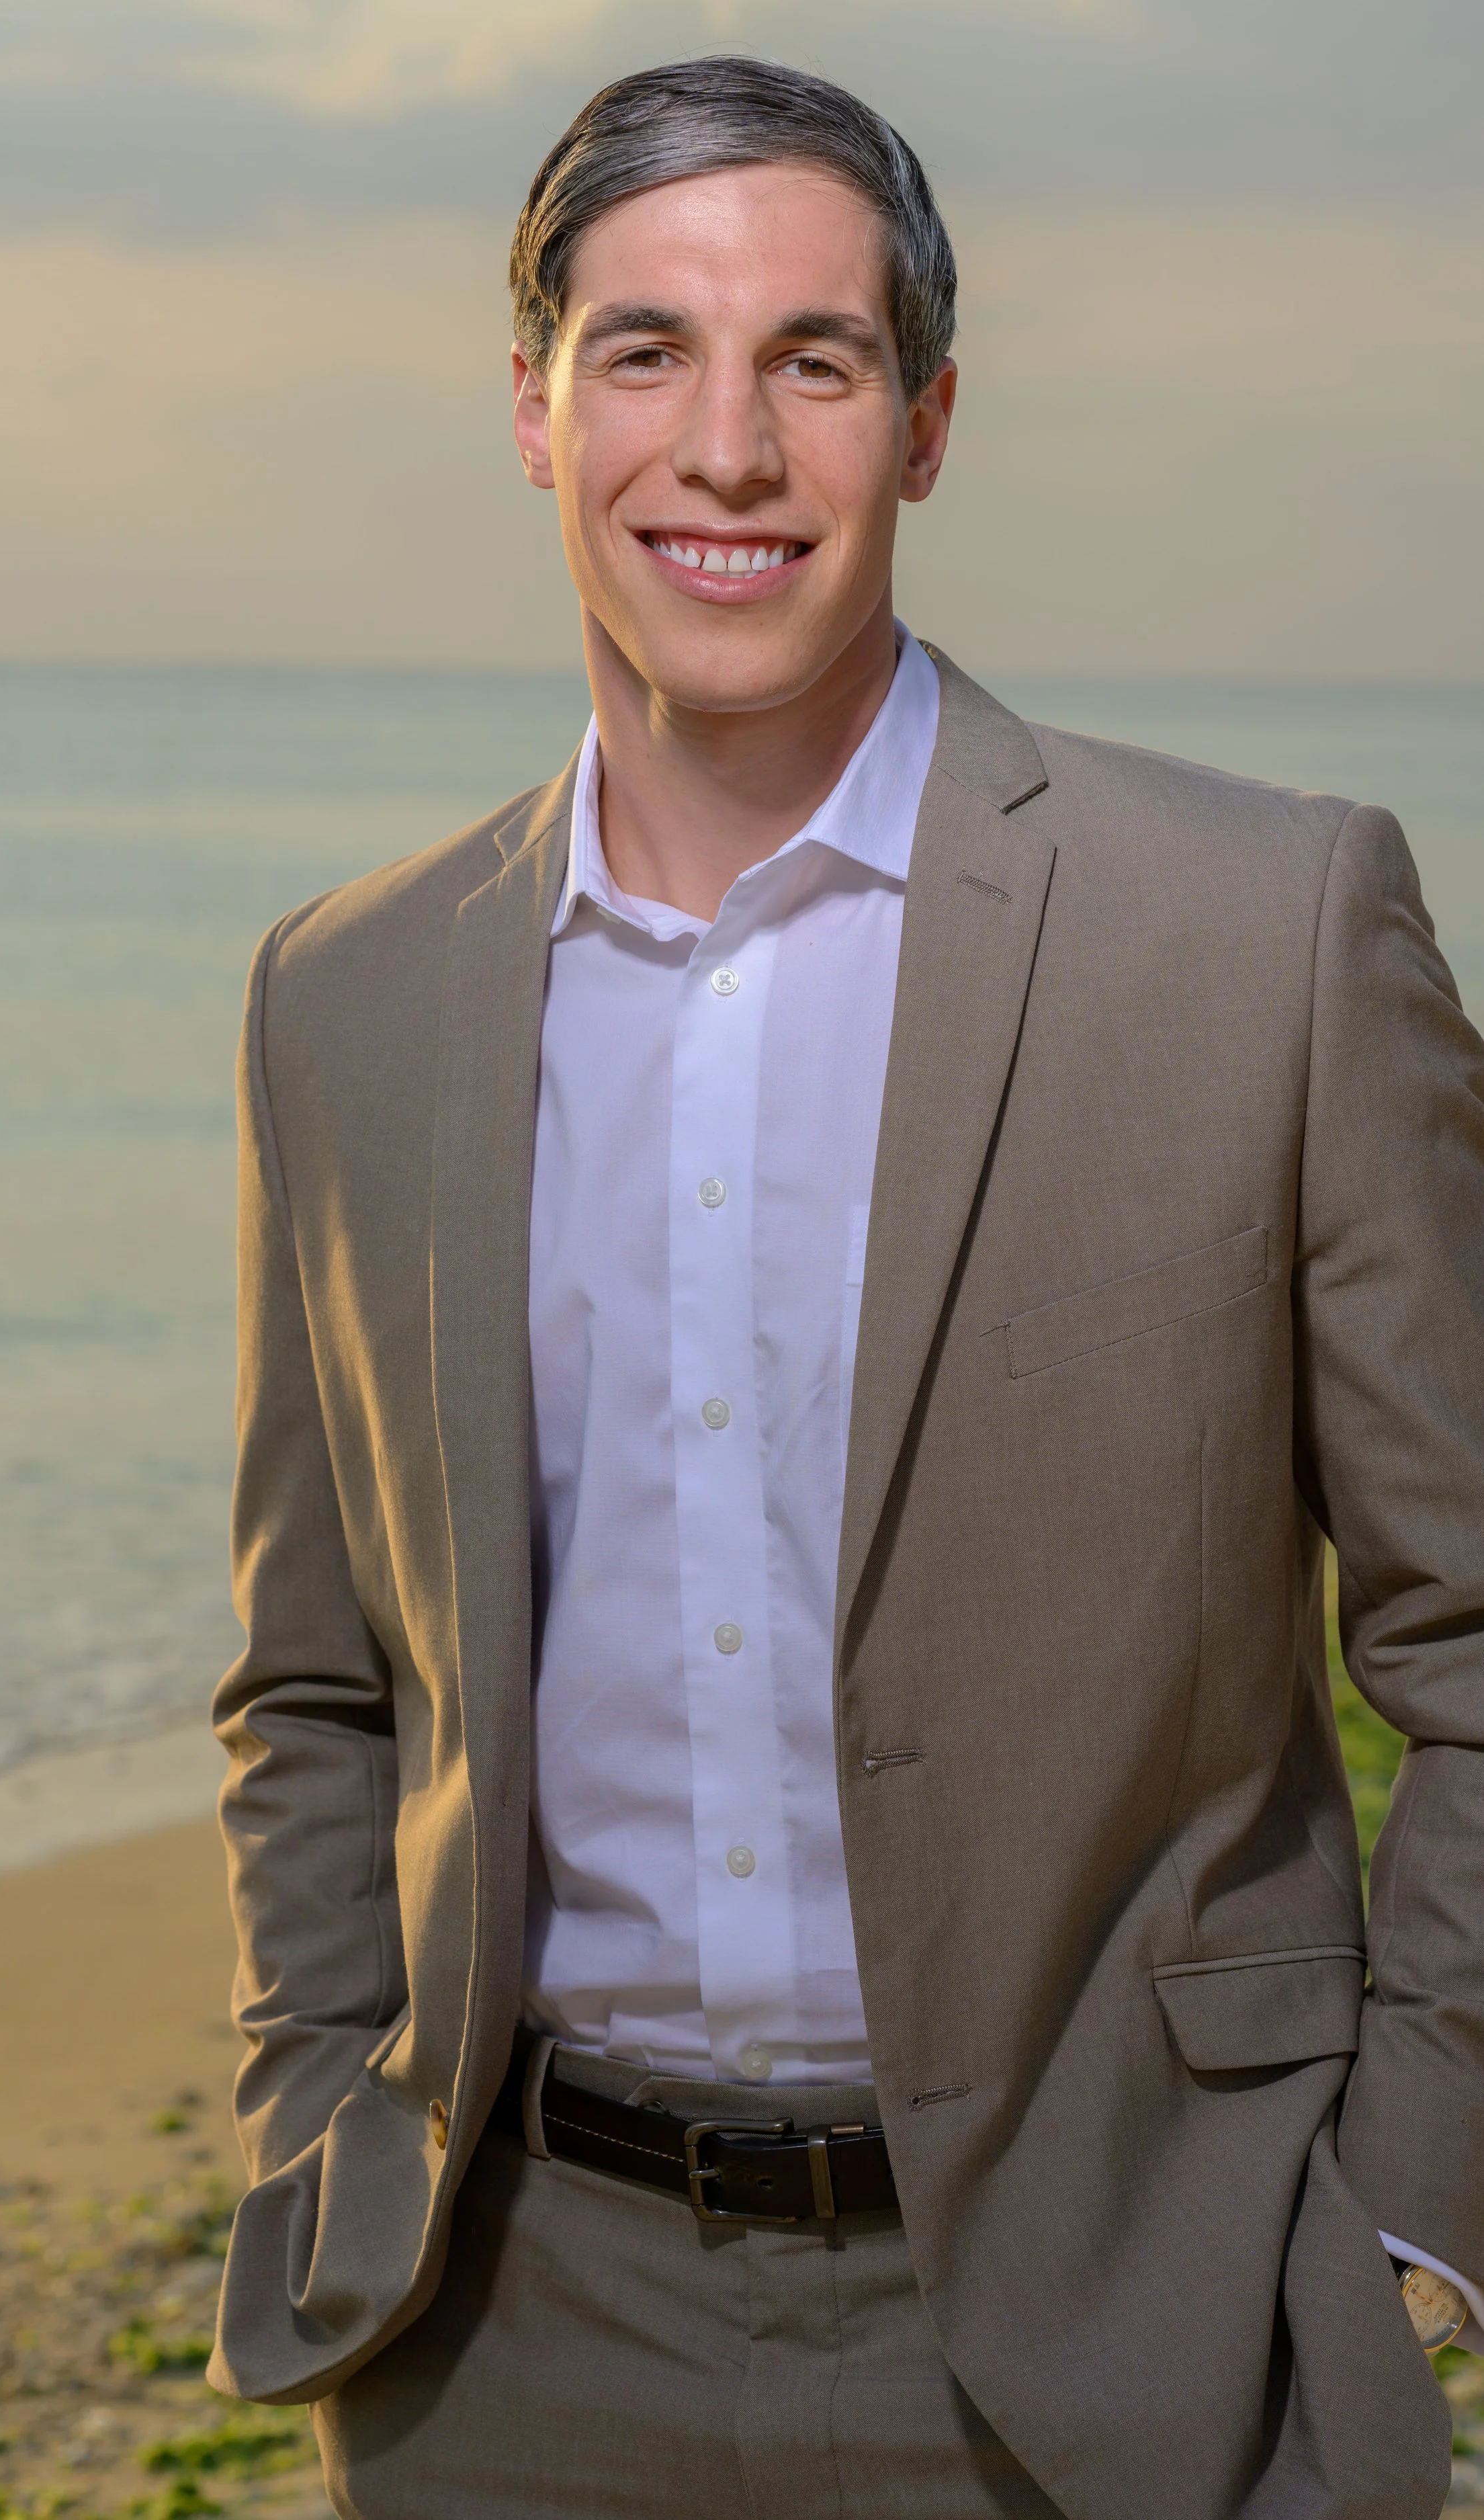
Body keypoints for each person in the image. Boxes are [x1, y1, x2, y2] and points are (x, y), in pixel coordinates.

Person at [205, 55, 1484, 2520]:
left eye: (812, 358)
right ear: (532, 408)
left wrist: (1413, 2195)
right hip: (508, 2345)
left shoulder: (1262, 933)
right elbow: (315, 1672)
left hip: (1155, 2321)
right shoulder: (342, 1002)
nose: (726, 447)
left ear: (922, 424)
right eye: (645, 352)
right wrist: (311, 2102)